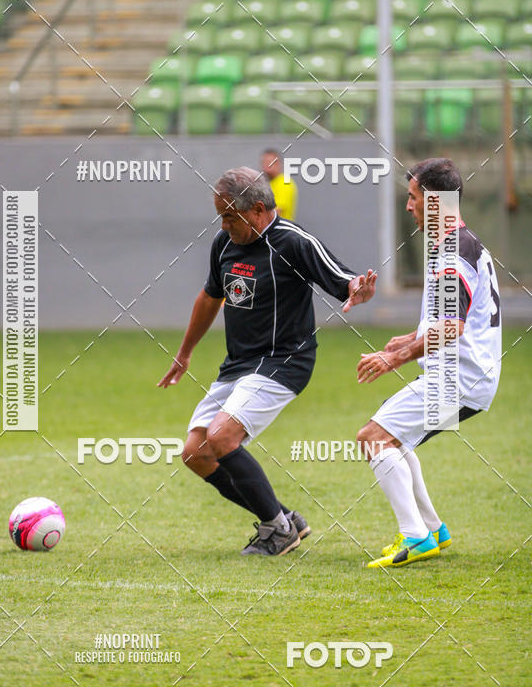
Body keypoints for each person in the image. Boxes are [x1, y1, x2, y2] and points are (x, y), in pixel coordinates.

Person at [158, 167, 376, 556]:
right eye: (220, 216)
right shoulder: (223, 244)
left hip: (284, 360)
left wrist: (357, 288)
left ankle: (276, 531)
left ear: (258, 209)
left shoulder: (293, 242)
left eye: (230, 216)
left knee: (222, 437)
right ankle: (283, 517)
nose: (224, 225)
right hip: (239, 363)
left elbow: (343, 278)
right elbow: (210, 297)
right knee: (196, 452)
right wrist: (185, 352)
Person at [356, 158, 501, 569]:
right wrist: (410, 338)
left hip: (460, 377)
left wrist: (396, 357)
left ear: (435, 202)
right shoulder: (460, 243)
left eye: (413, 196)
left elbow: (452, 329)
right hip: (468, 375)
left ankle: (416, 537)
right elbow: (453, 320)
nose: (409, 206)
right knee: (393, 439)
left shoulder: (452, 253)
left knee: (373, 437)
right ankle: (432, 529)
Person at [261, 148, 298, 220]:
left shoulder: (284, 183)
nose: (266, 165)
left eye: (269, 162)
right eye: (264, 162)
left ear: (278, 164)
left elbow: (275, 213)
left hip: (280, 230)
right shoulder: (268, 183)